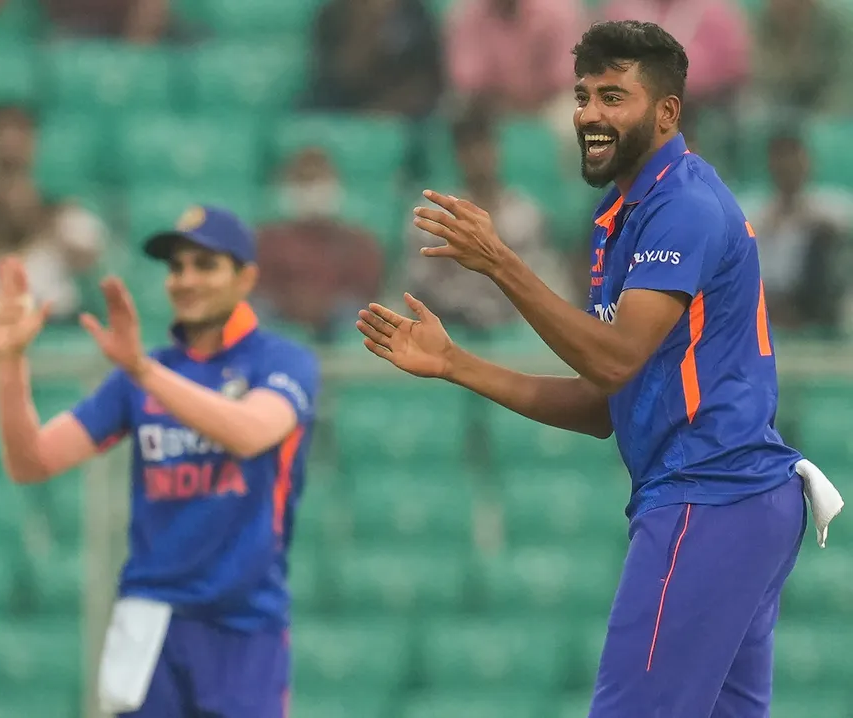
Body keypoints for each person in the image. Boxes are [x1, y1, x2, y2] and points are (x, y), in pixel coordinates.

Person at [356, 20, 842, 717]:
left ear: (667, 111)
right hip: (738, 499)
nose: (589, 114)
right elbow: (601, 401)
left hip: (708, 496)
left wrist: (499, 263)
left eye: (614, 96)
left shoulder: (684, 208)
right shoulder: (623, 215)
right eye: (583, 95)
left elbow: (613, 357)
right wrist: (456, 363)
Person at [0, 205, 320, 717]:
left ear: (246, 277)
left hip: (244, 625)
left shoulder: (281, 361)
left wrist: (142, 370)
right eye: (176, 267)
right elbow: (31, 461)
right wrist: (9, 361)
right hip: (150, 622)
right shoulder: (141, 376)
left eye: (205, 265)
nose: (186, 280)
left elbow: (251, 433)